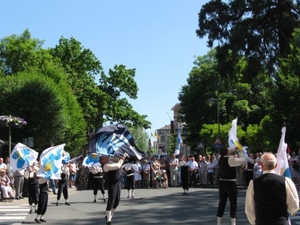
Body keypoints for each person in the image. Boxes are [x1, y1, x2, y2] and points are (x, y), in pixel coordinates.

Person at [245, 152, 299, 225]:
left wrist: (255, 222)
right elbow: (294, 206)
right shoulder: (286, 181)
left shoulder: (253, 183)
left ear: (261, 165)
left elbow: (249, 208)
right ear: (276, 165)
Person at [216, 147, 254, 225]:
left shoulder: (220, 158)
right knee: (233, 203)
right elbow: (243, 159)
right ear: (227, 152)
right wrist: (240, 151)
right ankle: (233, 222)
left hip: (222, 182)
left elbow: (225, 151)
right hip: (230, 183)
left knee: (222, 202)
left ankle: (218, 222)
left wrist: (234, 148)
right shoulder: (231, 159)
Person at [100, 153, 128, 225]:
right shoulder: (105, 166)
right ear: (102, 161)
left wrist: (117, 158)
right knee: (111, 200)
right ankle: (108, 221)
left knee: (117, 201)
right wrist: (122, 158)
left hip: (117, 182)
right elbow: (118, 165)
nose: (107, 157)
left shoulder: (109, 162)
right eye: (104, 157)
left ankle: (109, 216)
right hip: (111, 184)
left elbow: (117, 165)